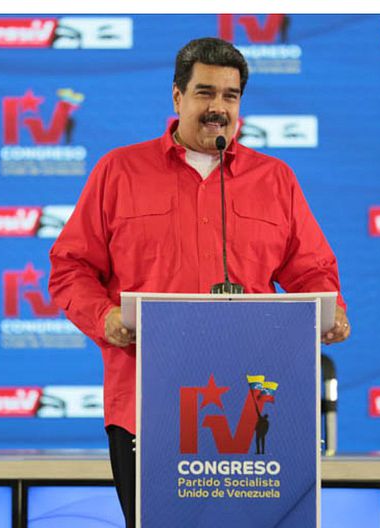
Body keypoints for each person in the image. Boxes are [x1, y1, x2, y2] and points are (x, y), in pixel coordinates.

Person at [49, 37, 350, 527]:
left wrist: (331, 312)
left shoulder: (276, 180)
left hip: (253, 407)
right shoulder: (118, 172)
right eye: (205, 92)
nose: (218, 108)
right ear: (177, 97)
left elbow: (311, 269)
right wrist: (105, 318)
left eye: (230, 96)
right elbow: (70, 267)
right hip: (148, 409)